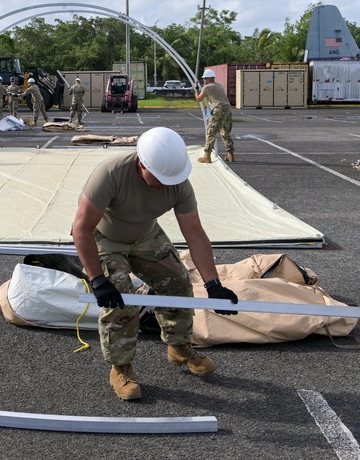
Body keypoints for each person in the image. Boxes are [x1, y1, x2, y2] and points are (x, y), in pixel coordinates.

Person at [71, 126, 239, 401]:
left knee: (178, 283)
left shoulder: (178, 183)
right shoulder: (110, 174)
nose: (166, 184)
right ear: (141, 163)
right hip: (105, 237)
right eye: (159, 178)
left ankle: (180, 348)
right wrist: (97, 280)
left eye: (170, 179)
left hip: (147, 235)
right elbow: (81, 229)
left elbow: (195, 234)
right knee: (120, 299)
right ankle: (121, 367)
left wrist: (213, 284)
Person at [195, 68, 235, 163]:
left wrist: (196, 89)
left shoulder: (207, 87)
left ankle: (207, 156)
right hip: (228, 109)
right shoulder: (220, 85)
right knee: (225, 133)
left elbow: (198, 99)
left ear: (210, 78)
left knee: (211, 132)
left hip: (219, 110)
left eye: (205, 78)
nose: (204, 80)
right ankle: (231, 155)